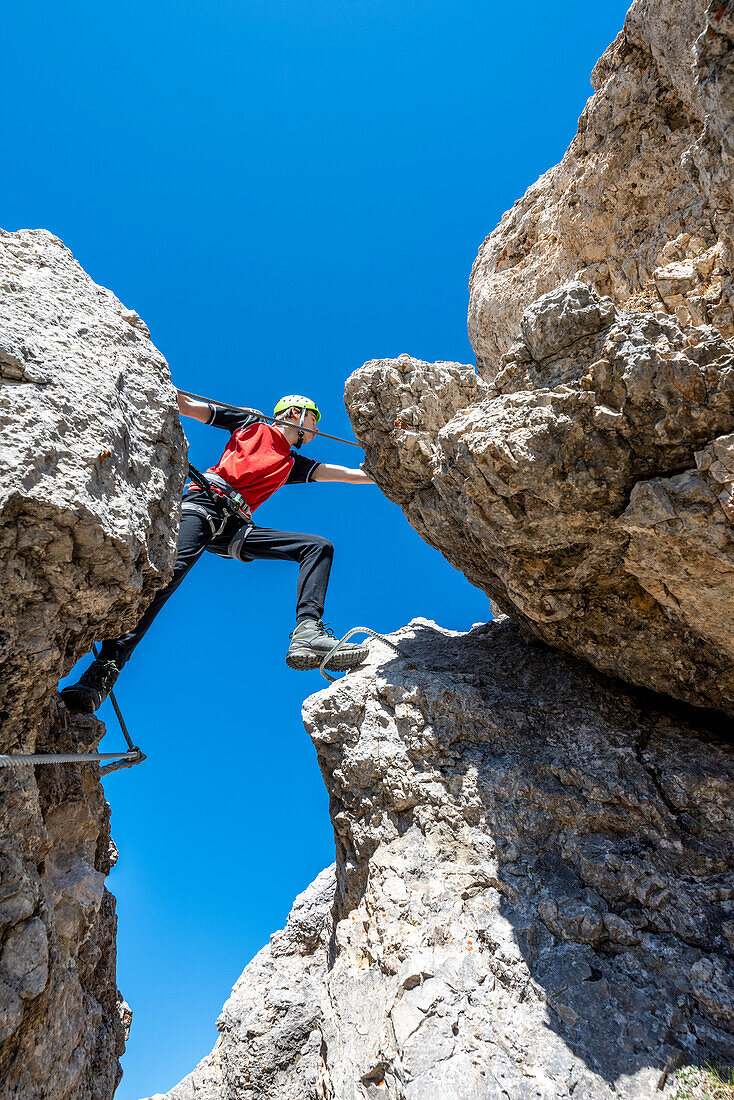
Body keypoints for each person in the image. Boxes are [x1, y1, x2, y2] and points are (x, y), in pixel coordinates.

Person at [60, 393, 374, 714]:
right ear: (295, 413)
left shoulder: (292, 463)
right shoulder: (250, 423)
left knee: (317, 547)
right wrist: (154, 383)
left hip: (234, 525)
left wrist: (386, 472)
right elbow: (188, 407)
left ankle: (307, 630)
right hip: (204, 505)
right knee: (169, 577)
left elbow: (348, 474)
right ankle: (105, 670)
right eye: (314, 420)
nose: (317, 430)